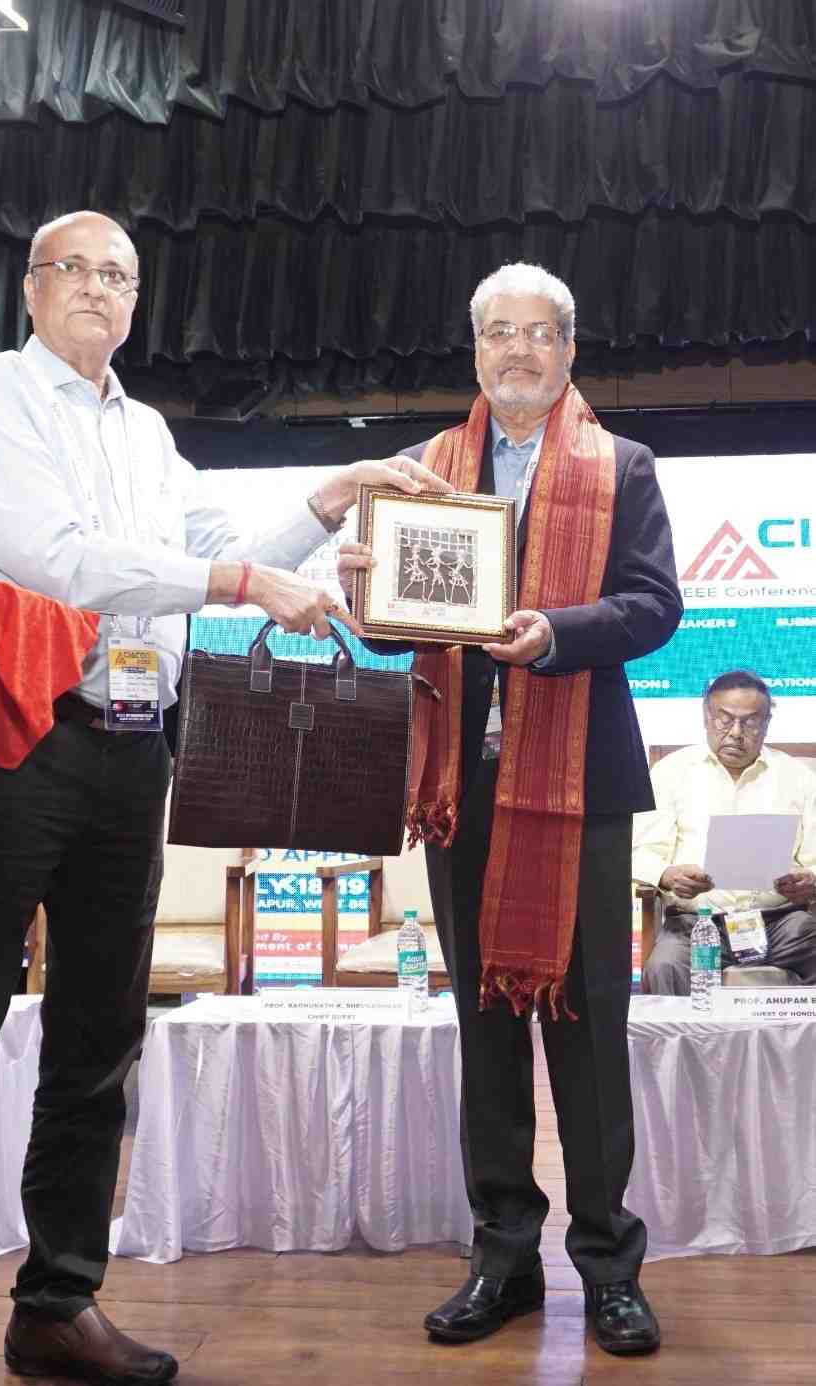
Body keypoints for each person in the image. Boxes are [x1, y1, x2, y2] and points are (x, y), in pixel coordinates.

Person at [0, 208, 451, 1386]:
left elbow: (223, 543)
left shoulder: (145, 432)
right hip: (11, 738)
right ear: (31, 287)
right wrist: (239, 579)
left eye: (121, 276)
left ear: (138, 303)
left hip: (131, 749)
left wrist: (333, 498)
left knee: (100, 1042)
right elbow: (55, 558)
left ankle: (58, 1304)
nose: (100, 289)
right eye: (77, 269)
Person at [339, 262, 681, 1357]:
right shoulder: (424, 470)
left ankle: (609, 1266)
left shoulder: (623, 466)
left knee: (589, 1033)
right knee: (484, 1031)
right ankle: (504, 1258)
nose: (519, 351)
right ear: (476, 348)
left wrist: (557, 633)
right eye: (499, 332)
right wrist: (363, 591)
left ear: (569, 351)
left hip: (581, 787)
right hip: (461, 790)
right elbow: (392, 629)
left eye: (540, 334)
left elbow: (654, 606)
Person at [635, 670, 816, 992]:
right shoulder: (671, 772)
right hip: (697, 924)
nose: (735, 733)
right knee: (665, 965)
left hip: (783, 924)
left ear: (767, 723)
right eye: (725, 719)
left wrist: (809, 881)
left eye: (750, 722)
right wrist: (667, 875)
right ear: (706, 717)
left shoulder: (798, 777)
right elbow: (641, 852)